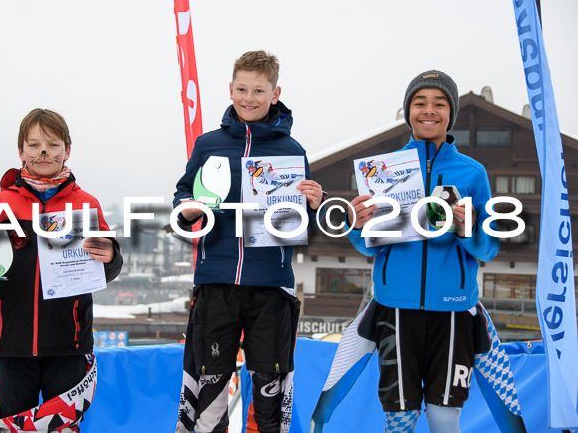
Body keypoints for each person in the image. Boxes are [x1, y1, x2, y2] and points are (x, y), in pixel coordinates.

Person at [174, 50, 324, 433]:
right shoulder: (208, 145)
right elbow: (182, 197)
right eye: (242, 89)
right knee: (209, 384)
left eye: (259, 90)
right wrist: (187, 209)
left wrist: (312, 205)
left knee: (270, 390)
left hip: (270, 288)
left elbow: (300, 226)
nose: (249, 98)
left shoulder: (292, 152)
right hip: (216, 282)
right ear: (230, 89)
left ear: (275, 93)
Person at [346, 70, 498, 432]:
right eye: (420, 102)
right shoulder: (383, 170)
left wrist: (467, 230)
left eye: (439, 103)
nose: (429, 111)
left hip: (453, 309)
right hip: (395, 309)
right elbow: (370, 246)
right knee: (399, 416)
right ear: (408, 110)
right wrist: (356, 225)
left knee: (445, 414)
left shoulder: (472, 173)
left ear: (451, 113)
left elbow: (488, 248)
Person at [0, 108, 122, 432]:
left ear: (67, 150)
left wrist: (111, 256)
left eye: (52, 144)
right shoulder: (2, 203)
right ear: (21, 151)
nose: (43, 152)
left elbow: (107, 266)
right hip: (14, 346)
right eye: (34, 145)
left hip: (70, 346)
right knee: (9, 427)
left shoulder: (86, 204)